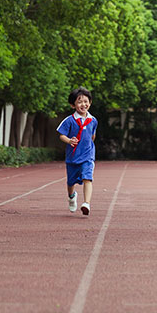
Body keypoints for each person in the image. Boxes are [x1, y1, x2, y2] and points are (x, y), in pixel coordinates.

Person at [57, 87, 98, 216]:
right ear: (73, 104)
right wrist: (69, 141)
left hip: (88, 156)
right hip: (73, 157)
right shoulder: (69, 120)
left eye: (86, 101)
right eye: (79, 101)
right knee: (71, 182)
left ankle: (86, 203)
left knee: (88, 178)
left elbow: (92, 136)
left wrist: (89, 147)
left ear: (90, 103)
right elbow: (61, 135)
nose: (83, 104)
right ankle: (71, 196)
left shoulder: (93, 120)